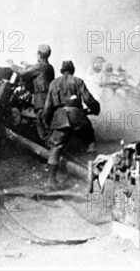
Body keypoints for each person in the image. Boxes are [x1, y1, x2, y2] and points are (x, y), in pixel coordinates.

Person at [42, 60, 100, 189]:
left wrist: (48, 122)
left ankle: (51, 181)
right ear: (72, 70)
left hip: (60, 117)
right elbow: (88, 99)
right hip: (77, 116)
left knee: (56, 147)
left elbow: (47, 107)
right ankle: (95, 173)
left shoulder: (54, 83)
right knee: (89, 139)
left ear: (62, 70)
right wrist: (96, 109)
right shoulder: (78, 81)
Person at [6, 45, 55, 139]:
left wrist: (12, 64)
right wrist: (27, 65)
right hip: (49, 99)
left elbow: (22, 73)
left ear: (39, 55)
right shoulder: (50, 67)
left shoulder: (39, 66)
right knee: (46, 126)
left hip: (41, 100)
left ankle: (51, 151)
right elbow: (37, 70)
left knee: (43, 131)